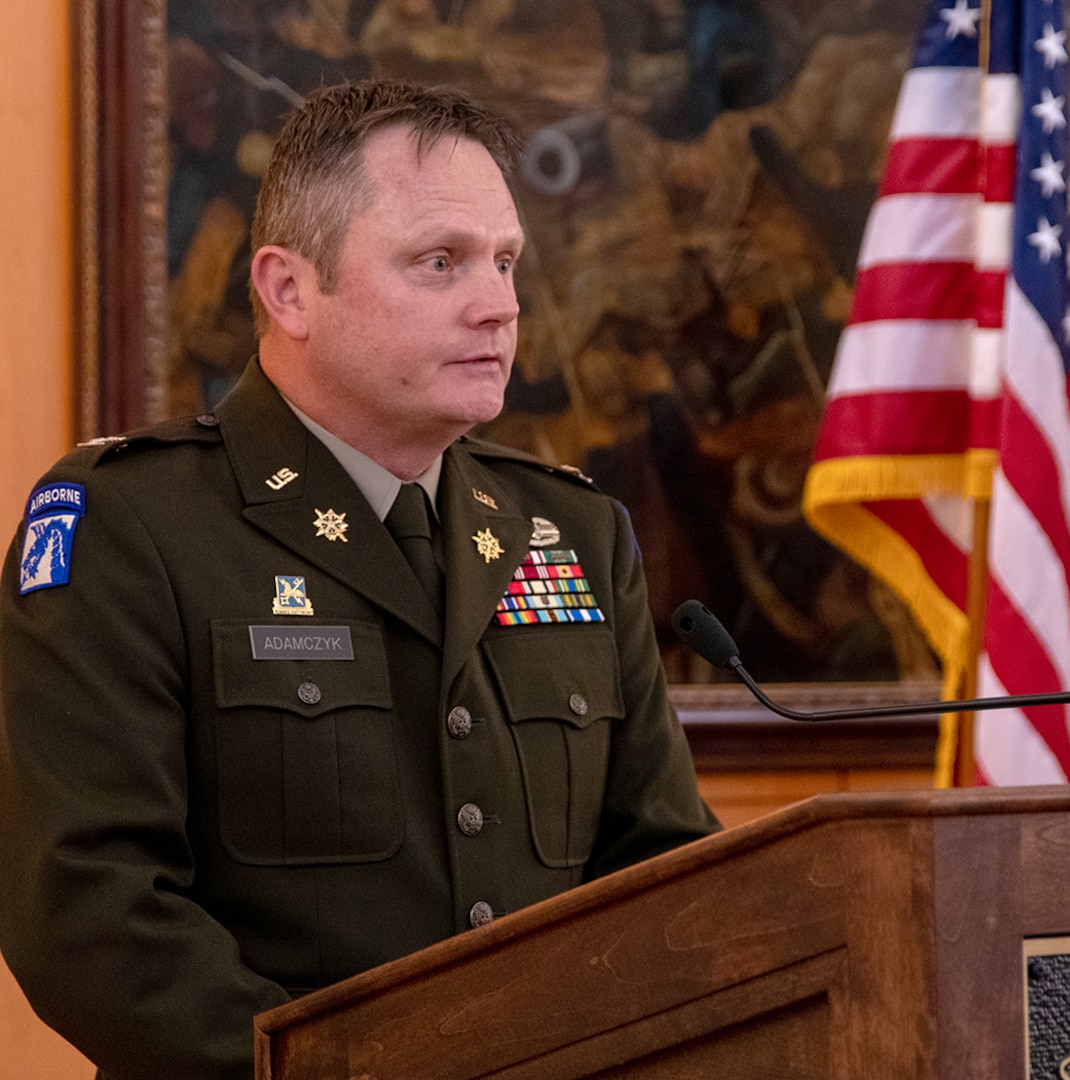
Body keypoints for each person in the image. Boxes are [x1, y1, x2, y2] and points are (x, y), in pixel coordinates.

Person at [0, 80, 719, 1080]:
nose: (499, 303)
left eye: (506, 260)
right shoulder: (134, 524)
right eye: (440, 262)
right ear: (289, 290)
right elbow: (87, 913)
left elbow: (666, 878)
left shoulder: (572, 529)